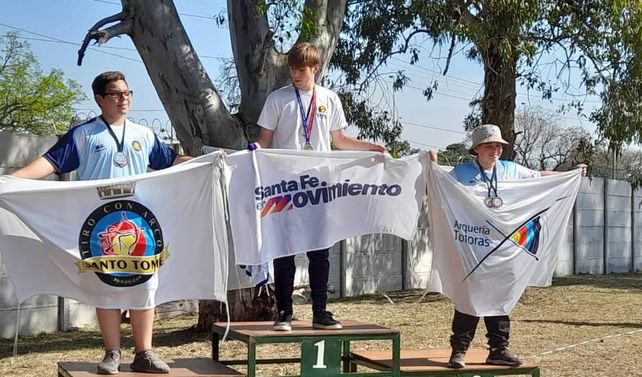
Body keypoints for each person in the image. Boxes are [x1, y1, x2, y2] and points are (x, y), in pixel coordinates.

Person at [12, 71, 191, 374]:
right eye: (116, 94)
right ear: (99, 99)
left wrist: (208, 161)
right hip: (98, 227)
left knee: (144, 283)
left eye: (127, 93)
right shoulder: (84, 134)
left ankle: (144, 352)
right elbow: (49, 163)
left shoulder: (144, 134)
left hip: (138, 223)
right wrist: (10, 182)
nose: (124, 99)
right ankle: (112, 353)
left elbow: (171, 161)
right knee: (106, 285)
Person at [252, 42, 386, 331]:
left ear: (315, 68)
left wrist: (370, 148)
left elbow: (341, 141)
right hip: (285, 183)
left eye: (301, 69)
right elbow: (265, 138)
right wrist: (254, 148)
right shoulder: (278, 99)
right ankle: (284, 312)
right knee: (284, 248)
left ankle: (320, 311)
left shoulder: (329, 98)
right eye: (292, 69)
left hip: (319, 184)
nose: (295, 75)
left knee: (320, 250)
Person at [443, 123, 586, 369]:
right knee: (469, 297)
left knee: (500, 295)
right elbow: (438, 187)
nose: (495, 150)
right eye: (489, 146)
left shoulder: (510, 169)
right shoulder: (461, 173)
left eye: (498, 145)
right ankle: (459, 351)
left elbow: (539, 176)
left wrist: (569, 174)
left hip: (504, 246)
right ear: (476, 148)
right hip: (473, 245)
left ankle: (498, 349)